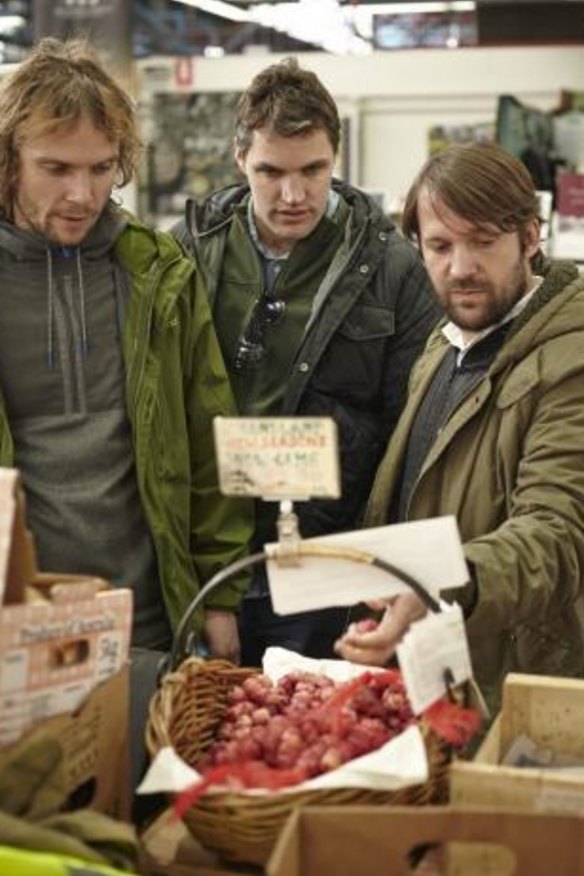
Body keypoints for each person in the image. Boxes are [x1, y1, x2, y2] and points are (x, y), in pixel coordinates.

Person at [172, 58, 439, 667]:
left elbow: (414, 436)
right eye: (271, 171)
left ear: (335, 157)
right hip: (212, 554)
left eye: (313, 170)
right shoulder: (186, 254)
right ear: (241, 159)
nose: (293, 195)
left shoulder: (394, 270)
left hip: (331, 562)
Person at [0, 38, 253, 662]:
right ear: (8, 161)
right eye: (56, 169)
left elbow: (208, 434)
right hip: (13, 623)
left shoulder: (158, 272)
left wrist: (221, 594)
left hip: (144, 618)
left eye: (101, 167)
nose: (83, 194)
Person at [335, 141, 584, 712]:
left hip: (514, 686)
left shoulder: (571, 361)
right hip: (436, 669)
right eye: (441, 246)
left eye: (483, 242)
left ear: (530, 237)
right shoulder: (442, 345)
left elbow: (556, 534)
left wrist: (442, 581)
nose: (461, 267)